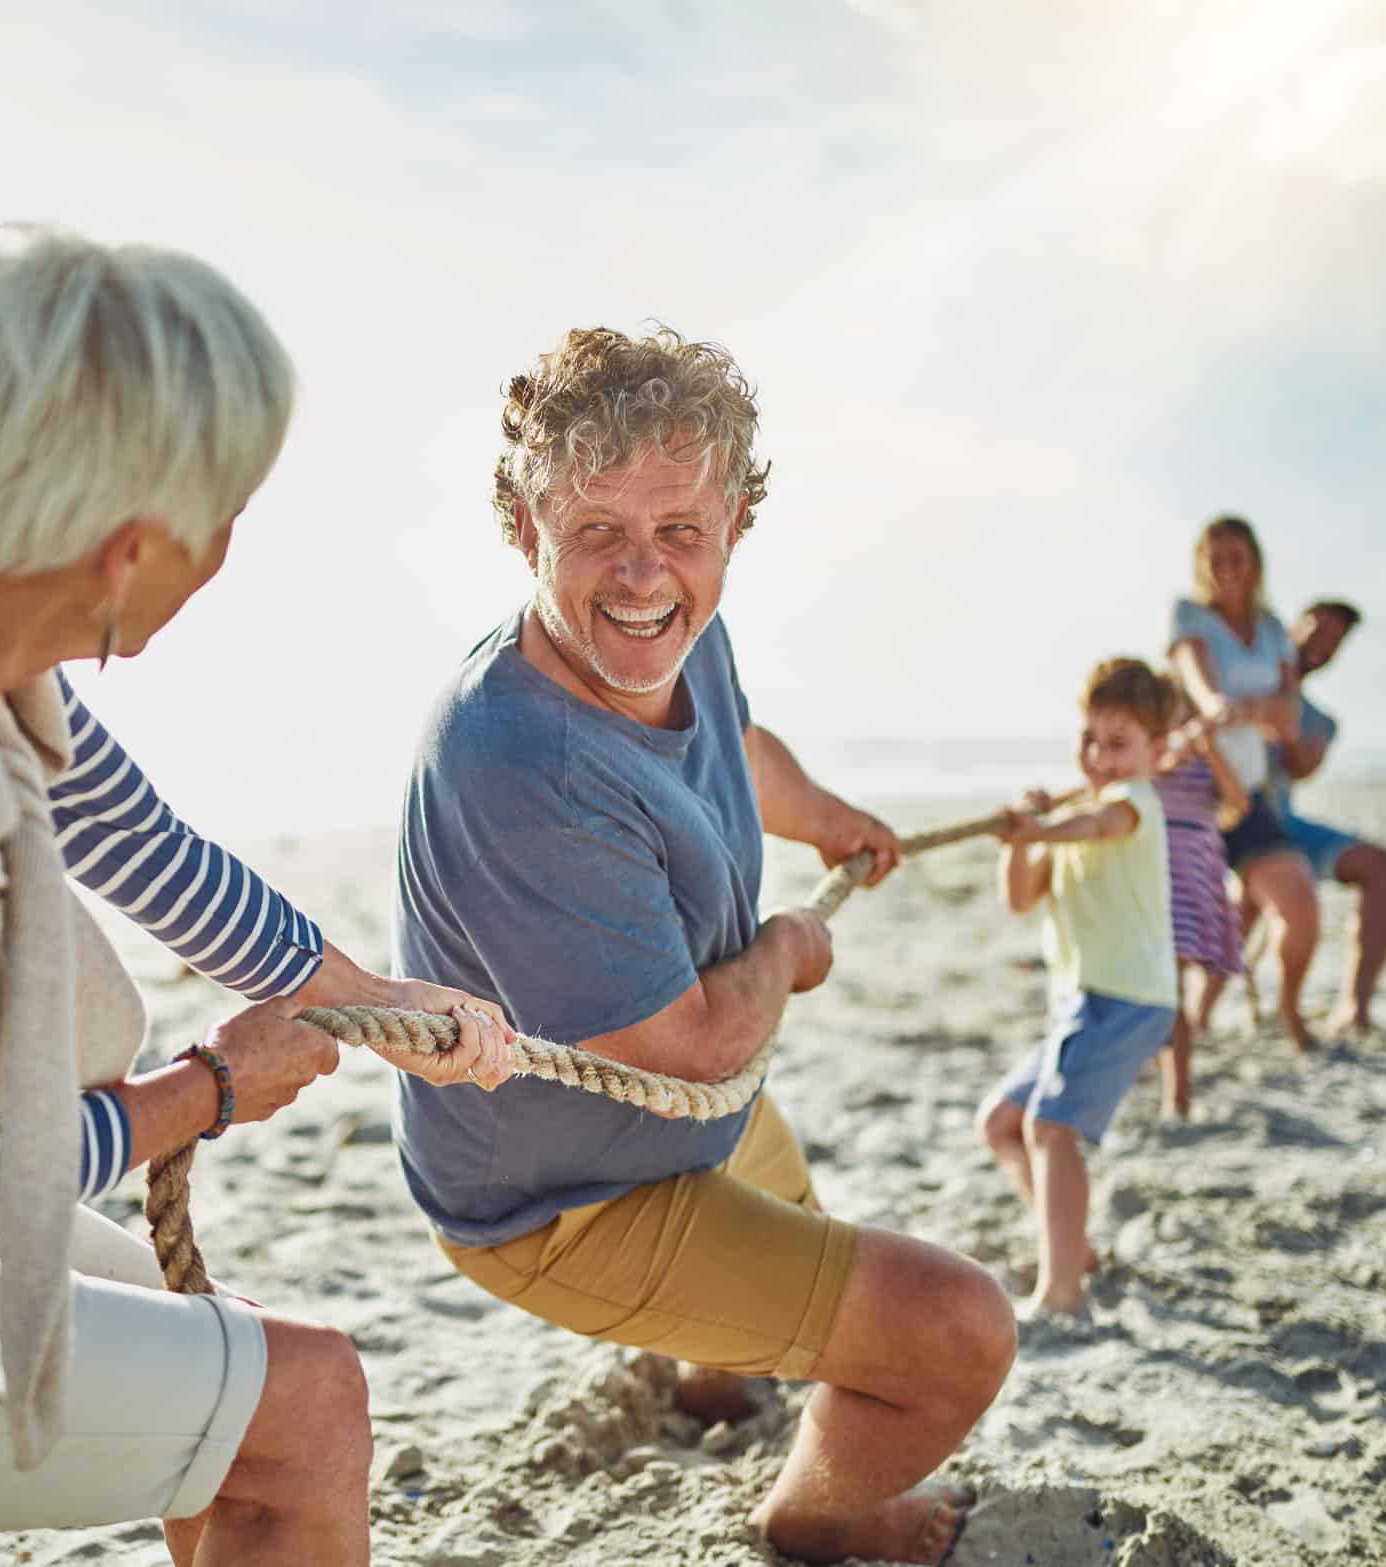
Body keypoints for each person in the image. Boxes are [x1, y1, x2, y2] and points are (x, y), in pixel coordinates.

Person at [0, 228, 519, 1566]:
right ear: (127, 552)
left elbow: (134, 835)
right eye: (225, 515)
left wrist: (372, 1001)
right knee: (308, 1404)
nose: (231, 543)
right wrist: (208, 1089)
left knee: (208, 1336)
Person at [392, 327, 1016, 1567]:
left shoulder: (679, 629)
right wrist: (785, 947)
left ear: (733, 523)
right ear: (525, 529)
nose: (641, 575)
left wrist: (827, 818)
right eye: (594, 533)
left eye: (680, 530)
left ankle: (712, 1386)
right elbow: (682, 1048)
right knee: (957, 1331)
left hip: (700, 1103)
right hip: (554, 1203)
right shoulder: (517, 754)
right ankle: (812, 1517)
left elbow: (734, 738)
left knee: (784, 1195)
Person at [976, 658, 1177, 1318]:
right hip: (1081, 1000)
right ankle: (1071, 1246)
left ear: (1155, 751)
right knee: (1003, 1123)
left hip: (1125, 995)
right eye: (1089, 739)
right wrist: (1021, 839)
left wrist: (1045, 828)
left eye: (1117, 744)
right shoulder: (1072, 816)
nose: (1098, 757)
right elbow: (1019, 897)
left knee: (1050, 1127)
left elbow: (1099, 825)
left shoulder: (1132, 804)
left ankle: (1061, 1290)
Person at [1166, 514, 1321, 1054]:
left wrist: (1244, 710)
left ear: (1256, 562)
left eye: (1238, 556)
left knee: (1297, 902)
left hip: (1247, 792)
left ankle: (1289, 1010)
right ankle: (1185, 1027)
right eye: (1216, 558)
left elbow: (1290, 715)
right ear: (1202, 567)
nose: (1228, 569)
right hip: (1191, 791)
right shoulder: (1190, 617)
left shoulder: (1273, 628)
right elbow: (1197, 681)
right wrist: (1219, 707)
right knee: (1191, 924)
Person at [1270, 600, 1386, 1035]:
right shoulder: (1240, 679)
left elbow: (1299, 768)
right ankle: (1198, 1016)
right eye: (1318, 630)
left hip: (1282, 826)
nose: (1323, 644)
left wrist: (1286, 703)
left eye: (1335, 641)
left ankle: (1354, 1008)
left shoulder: (1321, 722)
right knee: (1260, 876)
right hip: (1225, 824)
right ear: (1294, 627)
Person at [1150, 688, 1250, 1119]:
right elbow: (1155, 767)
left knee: (1191, 979)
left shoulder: (1206, 760)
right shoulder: (1151, 760)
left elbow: (1238, 804)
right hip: (1157, 878)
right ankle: (1178, 1091)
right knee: (1166, 990)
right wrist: (1173, 749)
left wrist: (1208, 750)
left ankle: (1180, 1082)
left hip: (1195, 874)